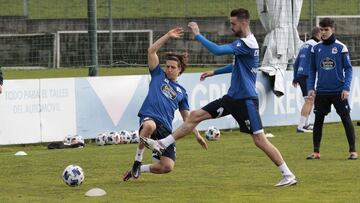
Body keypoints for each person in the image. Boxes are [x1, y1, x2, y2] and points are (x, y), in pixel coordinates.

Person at [141, 8, 297, 187]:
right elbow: (236, 67)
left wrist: (198, 35)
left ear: (244, 23)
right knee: (194, 116)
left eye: (233, 24)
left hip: (245, 100)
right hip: (232, 99)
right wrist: (214, 72)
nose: (231, 27)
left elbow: (216, 50)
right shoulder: (245, 44)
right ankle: (162, 144)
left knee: (259, 140)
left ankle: (288, 174)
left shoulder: (247, 44)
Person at [123, 28, 208, 181]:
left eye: (172, 67)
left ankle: (138, 170)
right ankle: (137, 160)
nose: (168, 69)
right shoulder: (157, 75)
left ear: (180, 70)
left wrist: (198, 136)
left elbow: (188, 119)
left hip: (165, 129)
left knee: (167, 166)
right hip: (150, 117)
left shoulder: (182, 92)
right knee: (149, 126)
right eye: (167, 66)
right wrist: (168, 36)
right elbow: (151, 51)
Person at [306, 17, 357, 160]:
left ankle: (353, 151)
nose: (323, 32)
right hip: (321, 91)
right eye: (321, 30)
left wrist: (346, 88)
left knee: (346, 119)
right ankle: (316, 152)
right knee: (318, 120)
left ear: (333, 29)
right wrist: (310, 87)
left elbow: (349, 69)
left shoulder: (341, 47)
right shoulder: (316, 48)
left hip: (338, 91)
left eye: (326, 30)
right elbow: (311, 70)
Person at [292, 27, 321, 133]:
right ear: (318, 34)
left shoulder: (304, 45)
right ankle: (300, 127)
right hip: (307, 75)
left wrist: (295, 77)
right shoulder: (316, 45)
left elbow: (296, 62)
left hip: (301, 74)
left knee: (310, 99)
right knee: (309, 100)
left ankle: (306, 124)